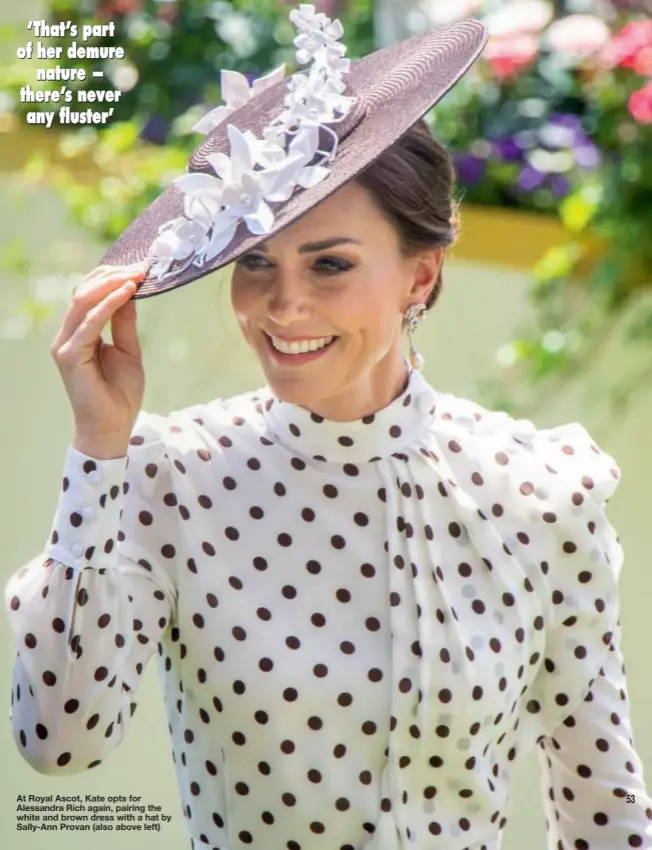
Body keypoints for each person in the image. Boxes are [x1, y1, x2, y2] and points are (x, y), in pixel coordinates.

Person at [4, 5, 652, 850]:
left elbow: (604, 812)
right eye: (255, 262)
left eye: (331, 264)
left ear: (420, 276)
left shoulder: (540, 493)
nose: (284, 305)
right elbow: (59, 742)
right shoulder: (167, 477)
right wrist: (98, 449)